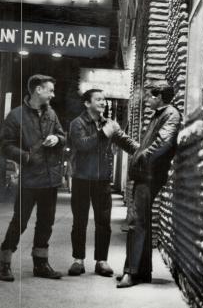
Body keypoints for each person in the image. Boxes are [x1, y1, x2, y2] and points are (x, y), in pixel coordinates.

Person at [0, 74, 66, 282]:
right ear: (38, 90)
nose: (53, 94)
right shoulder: (16, 116)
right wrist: (25, 157)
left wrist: (58, 138)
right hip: (29, 179)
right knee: (20, 222)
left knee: (46, 222)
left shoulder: (51, 114)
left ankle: (41, 264)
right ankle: (5, 263)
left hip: (50, 180)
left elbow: (63, 135)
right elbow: (4, 145)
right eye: (50, 90)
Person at [68, 89, 139, 277]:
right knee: (79, 222)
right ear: (87, 103)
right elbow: (82, 145)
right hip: (82, 179)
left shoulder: (109, 124)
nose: (103, 103)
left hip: (102, 181)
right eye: (98, 99)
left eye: (104, 100)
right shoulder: (77, 123)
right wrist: (102, 134)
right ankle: (78, 260)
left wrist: (143, 151)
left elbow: (125, 141)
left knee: (103, 223)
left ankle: (102, 261)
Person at [117, 82, 181, 288]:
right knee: (141, 221)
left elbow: (163, 144)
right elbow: (144, 146)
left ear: (160, 96)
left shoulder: (170, 114)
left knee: (136, 222)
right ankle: (143, 272)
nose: (147, 100)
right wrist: (121, 138)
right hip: (146, 174)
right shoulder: (159, 115)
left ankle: (131, 272)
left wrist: (141, 158)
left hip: (150, 175)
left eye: (150, 96)